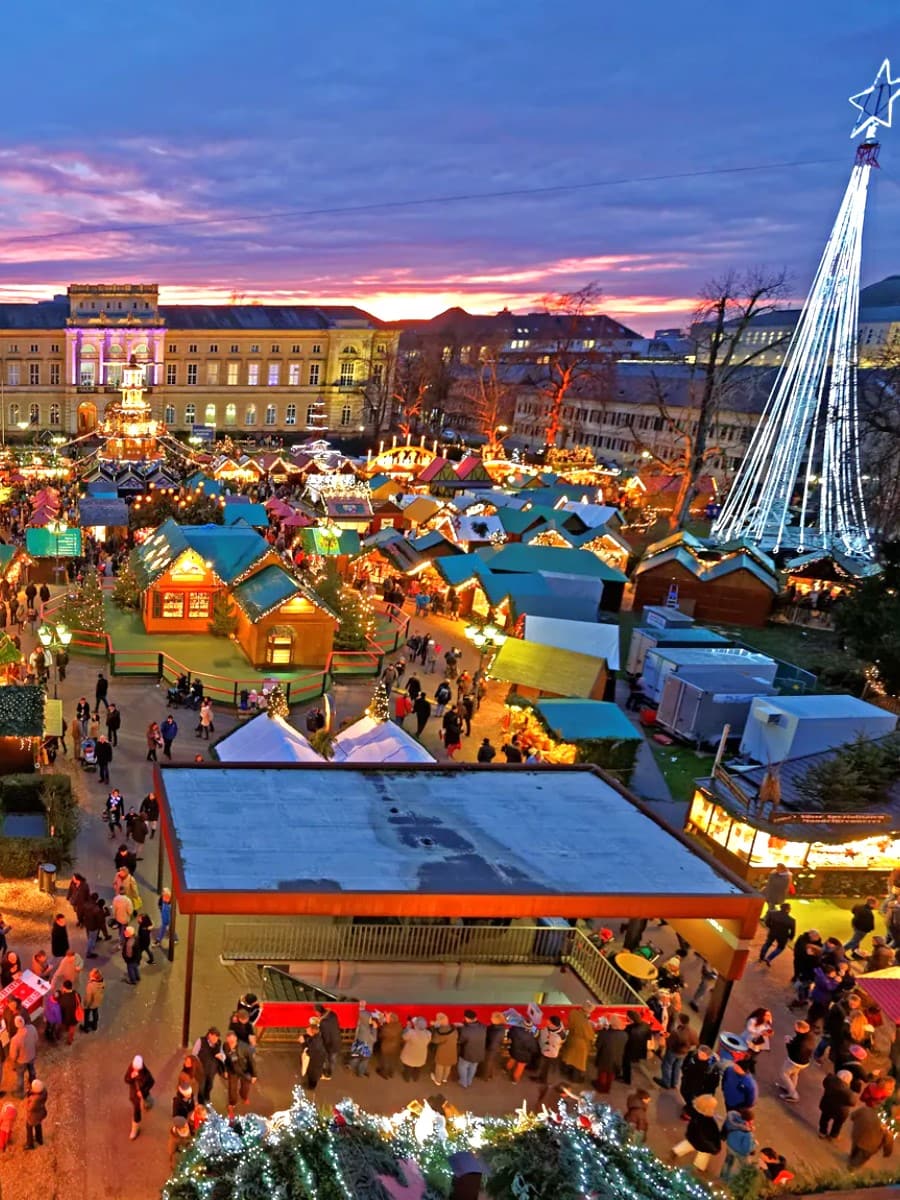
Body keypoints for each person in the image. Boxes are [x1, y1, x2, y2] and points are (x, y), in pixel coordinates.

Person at [671, 1092, 722, 1173]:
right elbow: (705, 1136)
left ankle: (676, 1151)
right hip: (702, 1142)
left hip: (693, 1136)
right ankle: (699, 1167)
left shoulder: (697, 1113)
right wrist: (714, 1148)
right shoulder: (706, 1121)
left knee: (689, 1144)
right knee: (703, 1153)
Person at [657, 1012, 698, 1091]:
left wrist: (667, 1037)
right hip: (683, 1053)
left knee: (667, 1065)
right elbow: (695, 1042)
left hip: (673, 1051)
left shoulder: (677, 1033)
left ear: (680, 1021)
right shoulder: (693, 1032)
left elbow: (670, 1042)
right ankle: (674, 1083)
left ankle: (666, 1082)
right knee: (677, 1067)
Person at [778, 1019, 816, 1103]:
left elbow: (792, 1051)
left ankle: (793, 1094)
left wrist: (787, 1042)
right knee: (794, 1074)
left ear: (801, 1029)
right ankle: (790, 1088)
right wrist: (792, 1040)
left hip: (794, 1061)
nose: (795, 1029)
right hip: (804, 1062)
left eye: (796, 1028)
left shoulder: (801, 1042)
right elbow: (797, 1043)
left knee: (784, 1074)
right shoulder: (809, 1036)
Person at [679, 1045, 720, 1119]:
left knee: (694, 1102)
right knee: (685, 1094)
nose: (700, 1055)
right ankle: (689, 1106)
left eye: (703, 1055)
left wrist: (706, 1093)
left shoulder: (711, 1068)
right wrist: (684, 1071)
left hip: (698, 1089)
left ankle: (690, 1114)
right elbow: (685, 1063)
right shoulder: (692, 1055)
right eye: (699, 1053)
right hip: (687, 1082)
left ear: (708, 1056)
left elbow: (713, 1083)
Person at [849, 1102, 894, 1167]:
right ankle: (852, 1167)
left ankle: (851, 1157)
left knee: (856, 1147)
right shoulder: (884, 1128)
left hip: (857, 1136)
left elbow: (852, 1116)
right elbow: (888, 1140)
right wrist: (887, 1153)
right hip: (870, 1145)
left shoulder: (864, 1110)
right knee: (862, 1157)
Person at [221, 1031, 255, 1117]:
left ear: (236, 1039)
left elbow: (251, 1061)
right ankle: (232, 1104)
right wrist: (225, 1070)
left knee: (245, 1087)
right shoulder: (225, 1046)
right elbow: (225, 1060)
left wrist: (254, 1075)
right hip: (232, 1070)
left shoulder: (244, 1047)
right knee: (232, 1088)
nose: (231, 1042)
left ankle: (243, 1096)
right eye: (229, 1040)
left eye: (232, 1040)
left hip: (244, 1070)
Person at [560, 1004, 595, 1083]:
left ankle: (566, 1071)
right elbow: (590, 1035)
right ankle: (575, 1079)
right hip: (580, 1044)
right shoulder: (585, 1022)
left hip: (571, 1038)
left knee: (569, 1057)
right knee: (578, 1063)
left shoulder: (573, 1013)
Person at [819, 1069, 857, 1140]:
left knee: (824, 1119)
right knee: (837, 1124)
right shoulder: (849, 1093)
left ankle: (822, 1132)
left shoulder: (829, 1080)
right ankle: (833, 1135)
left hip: (827, 1105)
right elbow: (853, 1102)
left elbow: (824, 1083)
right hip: (840, 1112)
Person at [721, 1110, 757, 1182]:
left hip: (730, 1145)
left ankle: (723, 1178)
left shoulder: (733, 1121)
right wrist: (754, 1144)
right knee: (745, 1167)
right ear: (748, 1121)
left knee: (728, 1162)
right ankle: (740, 1182)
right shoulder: (747, 1132)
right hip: (739, 1151)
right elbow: (745, 1149)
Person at [124, 1055, 155, 1140]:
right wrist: (131, 1077)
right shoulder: (131, 1068)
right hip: (134, 1095)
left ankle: (149, 1102)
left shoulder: (146, 1074)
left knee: (147, 1098)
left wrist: (143, 1092)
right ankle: (135, 1129)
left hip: (143, 1092)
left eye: (137, 1069)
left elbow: (152, 1082)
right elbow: (126, 1079)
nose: (135, 1070)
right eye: (134, 1068)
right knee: (136, 1110)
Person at [457, 1009, 487, 1089]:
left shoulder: (465, 1029)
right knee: (473, 1067)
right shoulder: (483, 1026)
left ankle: (463, 1082)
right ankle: (469, 1081)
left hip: (467, 1053)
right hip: (479, 1052)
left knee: (462, 1067)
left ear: (466, 1018)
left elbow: (460, 1041)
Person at [9, 1015, 38, 1097]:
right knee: (32, 1071)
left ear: (15, 1025)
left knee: (20, 1076)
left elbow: (13, 1055)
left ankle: (20, 1093)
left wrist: (13, 1063)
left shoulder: (15, 1039)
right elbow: (36, 1040)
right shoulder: (32, 1028)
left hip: (21, 1061)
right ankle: (34, 1085)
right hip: (31, 1056)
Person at [194, 1029, 225, 1104]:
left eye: (217, 1037)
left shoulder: (219, 1043)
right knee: (201, 1086)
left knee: (210, 1085)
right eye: (214, 1037)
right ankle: (201, 1101)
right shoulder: (201, 1041)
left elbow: (223, 1055)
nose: (215, 1039)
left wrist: (222, 1057)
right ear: (209, 1035)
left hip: (212, 1070)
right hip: (202, 1069)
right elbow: (194, 1054)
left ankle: (207, 1097)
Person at [622, 1010, 651, 1085]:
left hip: (630, 1050)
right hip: (641, 1048)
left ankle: (626, 1079)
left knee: (626, 1064)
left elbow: (624, 1038)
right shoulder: (646, 1025)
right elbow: (649, 1038)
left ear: (631, 1019)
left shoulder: (629, 1028)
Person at [298, 1020, 327, 1092]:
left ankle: (311, 1087)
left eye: (308, 1030)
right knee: (314, 1074)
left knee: (313, 1076)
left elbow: (308, 1051)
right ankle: (311, 1083)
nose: (306, 1030)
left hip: (315, 1063)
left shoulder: (315, 1043)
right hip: (319, 1059)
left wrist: (303, 1043)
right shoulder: (317, 1037)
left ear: (312, 1032)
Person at [314, 1004, 342, 1078]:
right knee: (333, 1060)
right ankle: (330, 1073)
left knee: (326, 1058)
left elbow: (324, 1035)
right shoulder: (333, 1014)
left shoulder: (323, 1022)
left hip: (329, 1044)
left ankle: (325, 1072)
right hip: (337, 1041)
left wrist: (318, 1025)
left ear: (318, 1012)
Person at [431, 1013, 459, 1086]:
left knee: (440, 1066)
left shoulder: (441, 1031)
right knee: (448, 1065)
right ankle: (444, 1078)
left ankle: (438, 1080)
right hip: (452, 1051)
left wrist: (435, 1028)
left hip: (442, 1052)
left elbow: (435, 1040)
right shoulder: (453, 1029)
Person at [400, 1016, 431, 1082]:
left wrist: (408, 1027)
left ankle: (407, 1078)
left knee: (408, 1068)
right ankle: (415, 1078)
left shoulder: (411, 1032)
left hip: (410, 1055)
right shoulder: (428, 1033)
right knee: (418, 1068)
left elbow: (404, 1037)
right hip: (421, 1055)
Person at [376, 1012, 403, 1079]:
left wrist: (382, 1025)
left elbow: (380, 1036)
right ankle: (391, 1073)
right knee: (392, 1060)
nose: (386, 1018)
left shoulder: (386, 1028)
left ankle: (384, 1073)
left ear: (391, 1019)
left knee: (385, 1060)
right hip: (396, 1046)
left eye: (388, 1018)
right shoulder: (399, 1025)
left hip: (386, 1047)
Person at [24, 1080, 48, 1151]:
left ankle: (30, 1144)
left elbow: (29, 1108)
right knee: (38, 1125)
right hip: (40, 1113)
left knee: (29, 1127)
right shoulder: (44, 1092)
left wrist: (29, 1099)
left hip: (33, 1116)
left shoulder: (35, 1099)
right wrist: (32, 1092)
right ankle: (39, 1139)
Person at [82, 968, 105, 1033]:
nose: (90, 972)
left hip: (90, 1003)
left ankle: (86, 1027)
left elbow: (88, 998)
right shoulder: (102, 982)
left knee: (87, 1015)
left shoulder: (91, 985)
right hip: (97, 1002)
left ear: (94, 976)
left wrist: (86, 1006)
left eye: (91, 972)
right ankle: (95, 1025)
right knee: (95, 1012)